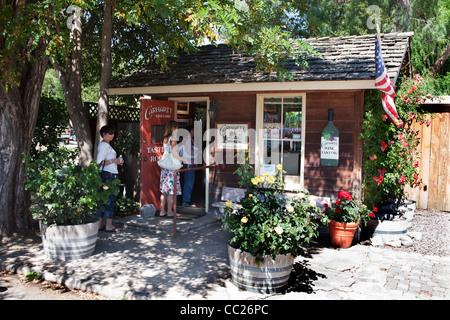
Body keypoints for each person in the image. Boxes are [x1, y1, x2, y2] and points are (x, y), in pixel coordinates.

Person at [96, 125, 123, 232]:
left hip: (107, 174)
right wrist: (114, 161)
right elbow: (99, 163)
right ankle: (109, 225)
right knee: (109, 199)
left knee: (103, 199)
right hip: (109, 176)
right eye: (109, 134)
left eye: (113, 133)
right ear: (104, 134)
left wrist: (115, 161)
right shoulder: (105, 146)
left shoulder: (104, 145)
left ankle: (100, 224)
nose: (112, 136)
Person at [160, 121, 188, 217]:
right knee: (171, 192)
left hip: (165, 168)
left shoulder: (165, 138)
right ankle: (170, 212)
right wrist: (183, 159)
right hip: (172, 168)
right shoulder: (173, 139)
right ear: (173, 128)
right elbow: (174, 153)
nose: (177, 129)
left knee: (164, 191)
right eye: (176, 127)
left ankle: (162, 211)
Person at [180, 126, 199, 207]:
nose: (194, 132)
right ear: (190, 131)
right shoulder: (188, 140)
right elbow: (188, 152)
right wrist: (198, 151)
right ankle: (186, 200)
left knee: (187, 181)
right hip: (189, 163)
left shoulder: (185, 140)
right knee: (189, 182)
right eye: (193, 130)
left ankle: (186, 199)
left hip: (185, 163)